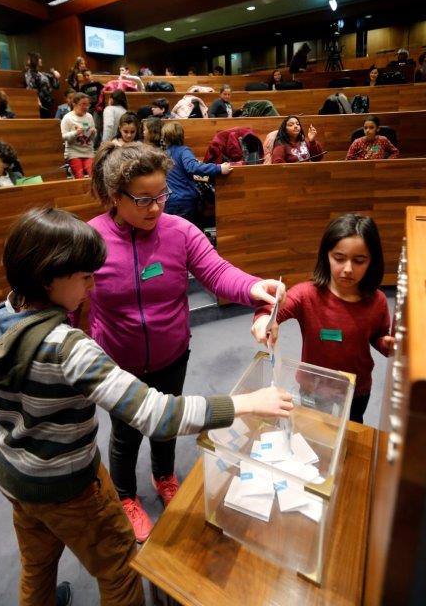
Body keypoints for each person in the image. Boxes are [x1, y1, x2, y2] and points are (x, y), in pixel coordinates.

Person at [0, 206, 293, 606]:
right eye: (85, 277)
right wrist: (245, 403)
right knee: (119, 566)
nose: (92, 286)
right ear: (49, 279)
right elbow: (157, 415)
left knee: (37, 565)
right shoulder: (71, 349)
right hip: (68, 485)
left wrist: (30, 403)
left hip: (14, 477)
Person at [87, 143, 285, 541]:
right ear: (114, 196)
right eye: (143, 199)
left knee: (166, 424)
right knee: (125, 435)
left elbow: (218, 272)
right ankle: (125, 496)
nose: (156, 208)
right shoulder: (90, 240)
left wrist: (253, 286)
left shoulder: (180, 231)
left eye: (161, 195)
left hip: (172, 354)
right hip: (117, 364)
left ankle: (164, 475)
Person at [252, 213, 395, 423]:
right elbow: (272, 309)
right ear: (326, 256)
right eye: (339, 258)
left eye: (359, 261)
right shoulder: (306, 294)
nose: (348, 269)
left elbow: (378, 336)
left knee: (352, 428)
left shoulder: (378, 301)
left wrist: (387, 344)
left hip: (356, 388)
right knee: (312, 427)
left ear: (372, 261)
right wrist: (264, 319)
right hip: (313, 387)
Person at [161, 120, 232, 224]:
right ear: (181, 135)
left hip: (169, 200)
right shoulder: (183, 151)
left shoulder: (164, 154)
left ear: (165, 137)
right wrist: (219, 168)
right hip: (184, 200)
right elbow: (192, 167)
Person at [60, 92, 96, 178]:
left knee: (93, 176)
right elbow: (63, 137)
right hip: (74, 153)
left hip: (88, 152)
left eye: (87, 105)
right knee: (79, 176)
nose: (86, 107)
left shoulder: (89, 116)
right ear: (74, 104)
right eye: (83, 104)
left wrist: (93, 133)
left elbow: (92, 138)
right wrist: (76, 132)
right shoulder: (67, 118)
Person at [24, 52, 60, 118]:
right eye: (39, 58)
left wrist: (56, 77)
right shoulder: (29, 74)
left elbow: (56, 86)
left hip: (48, 104)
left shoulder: (43, 74)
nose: (41, 60)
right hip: (40, 104)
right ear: (34, 60)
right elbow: (31, 89)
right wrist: (37, 101)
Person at [80, 69, 105, 146]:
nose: (86, 77)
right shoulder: (83, 87)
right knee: (85, 125)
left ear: (91, 76)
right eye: (85, 76)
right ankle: (86, 142)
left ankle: (95, 144)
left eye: (88, 75)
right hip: (86, 109)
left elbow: (104, 92)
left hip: (97, 108)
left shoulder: (97, 84)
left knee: (96, 125)